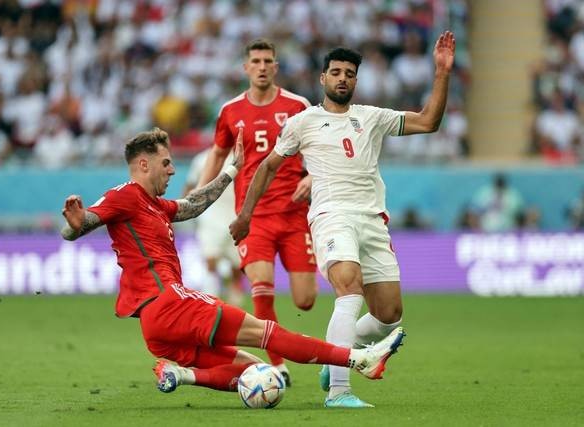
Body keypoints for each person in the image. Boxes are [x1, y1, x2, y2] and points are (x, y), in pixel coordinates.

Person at [60, 127, 405, 398]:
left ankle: (182, 375)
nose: (172, 169)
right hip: (167, 302)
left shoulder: (153, 204)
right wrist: (77, 224)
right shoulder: (125, 195)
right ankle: (357, 359)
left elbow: (192, 204)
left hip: (155, 327)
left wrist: (231, 170)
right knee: (269, 334)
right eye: (166, 163)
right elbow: (81, 224)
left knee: (257, 372)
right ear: (144, 164)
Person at [230, 31, 456, 408]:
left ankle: (339, 353)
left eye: (349, 73)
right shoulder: (304, 122)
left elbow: (429, 121)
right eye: (335, 72)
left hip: (372, 220)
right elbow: (267, 167)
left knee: (388, 315)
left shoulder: (373, 117)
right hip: (331, 217)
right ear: (323, 78)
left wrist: (442, 72)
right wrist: (246, 215)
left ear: (356, 80)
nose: (342, 78)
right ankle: (339, 390)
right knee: (349, 289)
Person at [197, 39, 317, 385]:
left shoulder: (298, 105)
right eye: (256, 61)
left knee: (305, 300)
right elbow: (218, 155)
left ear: (275, 67)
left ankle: (282, 350)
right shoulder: (230, 111)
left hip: (294, 216)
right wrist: (201, 195)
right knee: (261, 288)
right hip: (254, 216)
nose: (262, 66)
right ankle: (277, 364)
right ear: (246, 68)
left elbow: (319, 151)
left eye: (268, 61)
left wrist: (311, 177)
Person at [184, 147, 244, 305]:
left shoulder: (241, 159)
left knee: (237, 266)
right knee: (211, 260)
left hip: (235, 218)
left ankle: (234, 294)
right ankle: (210, 301)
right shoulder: (201, 159)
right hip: (210, 218)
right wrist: (182, 210)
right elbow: (191, 186)